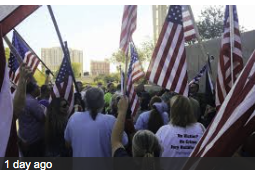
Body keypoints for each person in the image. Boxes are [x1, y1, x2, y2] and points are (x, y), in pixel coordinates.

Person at [64, 87, 128, 157]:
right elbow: (123, 143)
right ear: (103, 102)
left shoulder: (74, 118)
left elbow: (67, 143)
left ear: (85, 101)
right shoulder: (111, 120)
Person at [111, 96, 162, 170]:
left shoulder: (125, 165)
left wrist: (122, 111)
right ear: (159, 149)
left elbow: (115, 141)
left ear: (133, 150)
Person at [18, 80, 46, 157]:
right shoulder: (32, 102)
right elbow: (43, 119)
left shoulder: (23, 99)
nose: (39, 89)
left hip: (24, 138)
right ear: (33, 89)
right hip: (33, 142)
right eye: (38, 87)